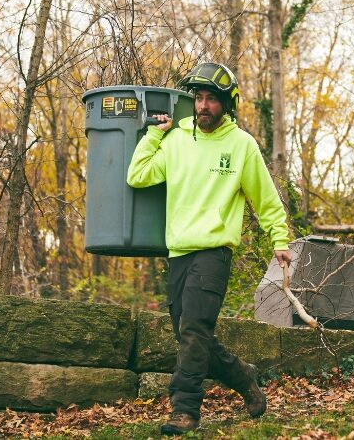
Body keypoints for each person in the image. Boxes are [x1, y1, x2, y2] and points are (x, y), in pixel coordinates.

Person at [126, 62, 292, 435]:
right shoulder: (177, 140)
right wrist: (154, 134)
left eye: (211, 100)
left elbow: (265, 199)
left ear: (227, 104)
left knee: (195, 329)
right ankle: (243, 376)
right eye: (198, 98)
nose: (203, 106)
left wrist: (278, 239)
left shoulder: (241, 145)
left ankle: (185, 409)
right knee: (189, 333)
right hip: (179, 252)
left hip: (214, 252)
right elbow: (137, 177)